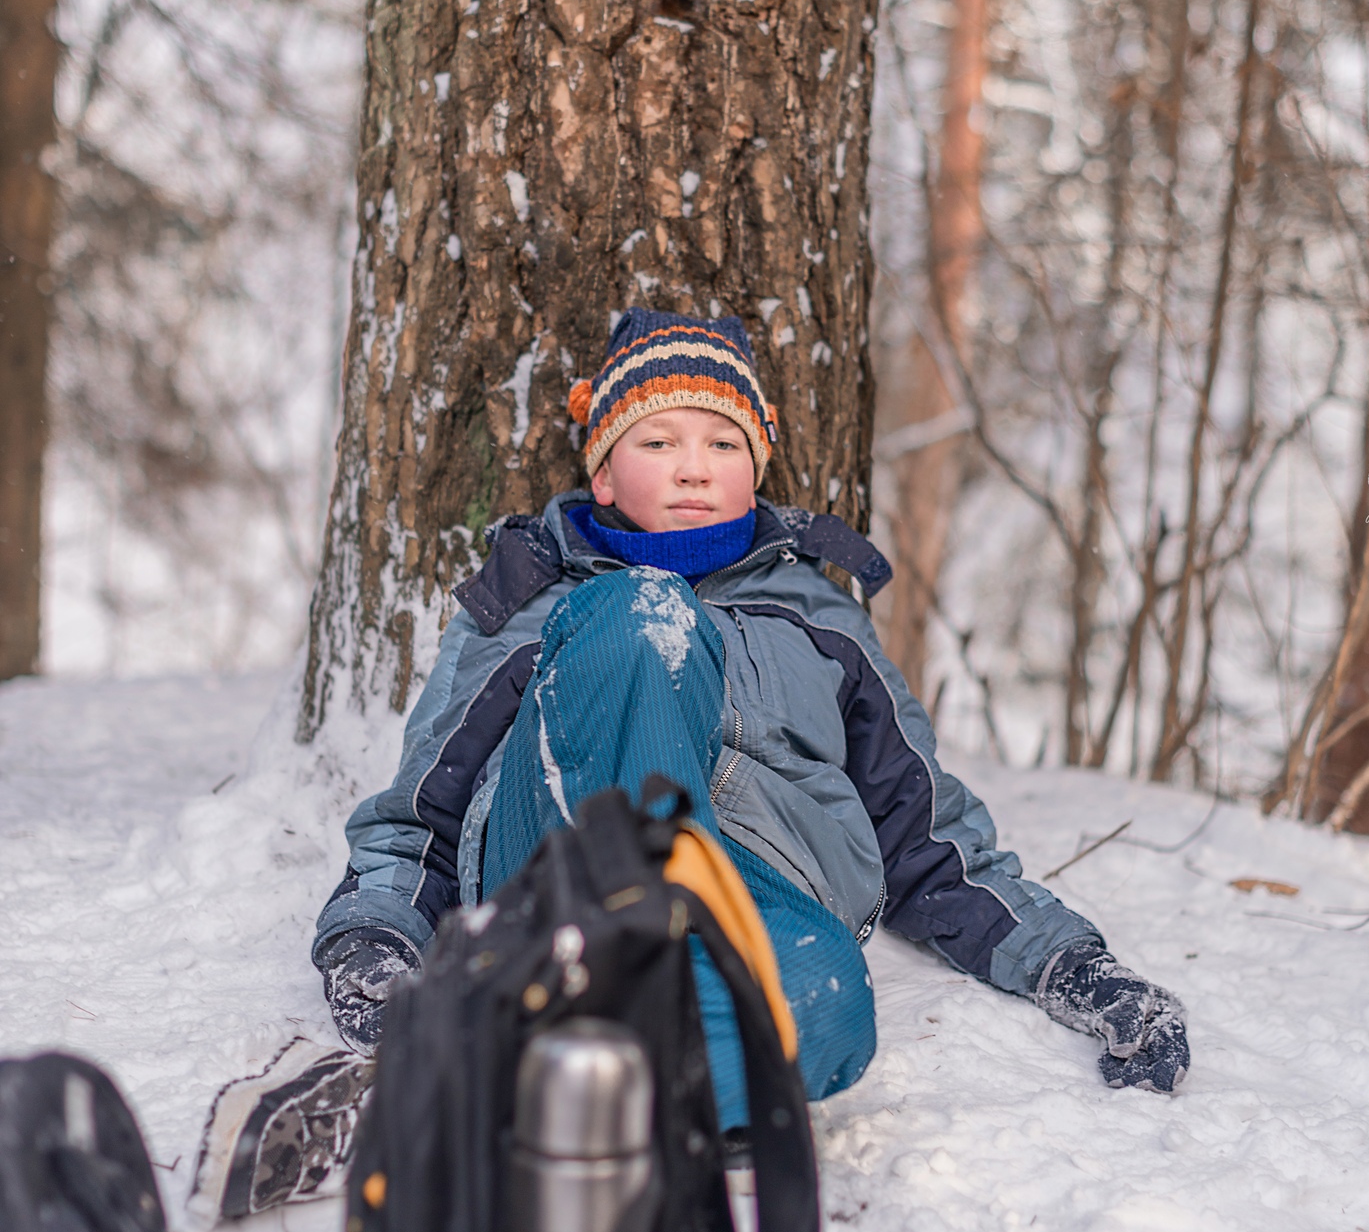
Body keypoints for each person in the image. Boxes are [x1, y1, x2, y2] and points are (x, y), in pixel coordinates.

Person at [312, 310, 1189, 1138]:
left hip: (757, 889)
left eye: (723, 443)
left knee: (828, 1003)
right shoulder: (532, 601)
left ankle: (574, 1078)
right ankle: (600, 1006)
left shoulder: (822, 620)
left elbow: (928, 836)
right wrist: (373, 936)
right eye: (659, 441)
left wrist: (1071, 964)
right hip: (554, 871)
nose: (695, 466)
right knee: (642, 613)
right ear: (603, 473)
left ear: (755, 469)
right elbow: (422, 807)